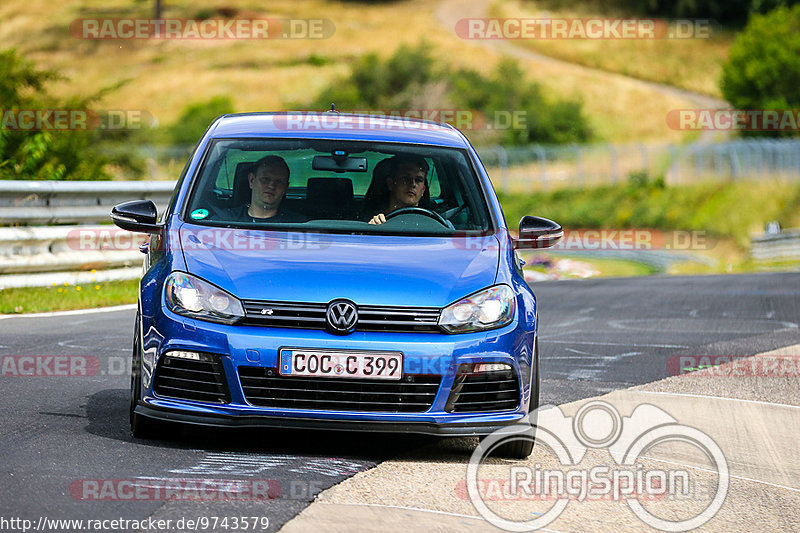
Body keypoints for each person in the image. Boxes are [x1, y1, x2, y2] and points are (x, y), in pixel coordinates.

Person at [220, 155, 307, 223]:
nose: (271, 186)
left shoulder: (298, 225)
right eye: (265, 179)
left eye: (279, 182)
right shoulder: (224, 220)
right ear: (251, 180)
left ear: (285, 188)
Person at [366, 155, 431, 225]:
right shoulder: (377, 220)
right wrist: (372, 229)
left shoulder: (432, 224)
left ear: (423, 190)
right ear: (390, 184)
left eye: (418, 180)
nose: (413, 184)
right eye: (406, 178)